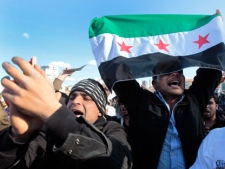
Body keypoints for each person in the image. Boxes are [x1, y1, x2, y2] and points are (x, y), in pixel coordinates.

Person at [0, 56, 132, 169]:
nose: (76, 102)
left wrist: (52, 111)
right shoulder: (48, 132)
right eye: (72, 97)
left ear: (100, 110)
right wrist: (17, 139)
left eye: (86, 98)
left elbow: (120, 162)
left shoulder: (112, 128)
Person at [112, 68, 223, 169]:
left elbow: (212, 67)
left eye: (180, 72)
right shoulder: (140, 101)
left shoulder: (195, 100)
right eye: (166, 71)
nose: (175, 73)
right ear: (154, 83)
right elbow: (117, 71)